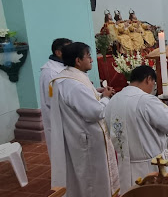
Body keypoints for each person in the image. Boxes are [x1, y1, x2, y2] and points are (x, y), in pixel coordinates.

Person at [49, 42, 120, 196]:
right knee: (92, 180)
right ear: (78, 61)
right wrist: (106, 98)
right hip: (88, 139)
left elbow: (84, 104)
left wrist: (100, 95)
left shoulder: (71, 77)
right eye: (88, 57)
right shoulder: (73, 84)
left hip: (81, 135)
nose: (92, 60)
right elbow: (94, 112)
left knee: (86, 177)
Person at [105, 65, 168, 195]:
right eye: (154, 83)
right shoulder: (146, 100)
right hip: (150, 167)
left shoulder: (113, 100)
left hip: (125, 165)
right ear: (148, 79)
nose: (153, 88)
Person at [40, 38, 71, 157]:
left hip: (68, 117)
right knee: (62, 155)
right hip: (59, 117)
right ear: (58, 53)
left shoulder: (65, 66)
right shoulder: (50, 72)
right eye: (68, 49)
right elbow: (52, 99)